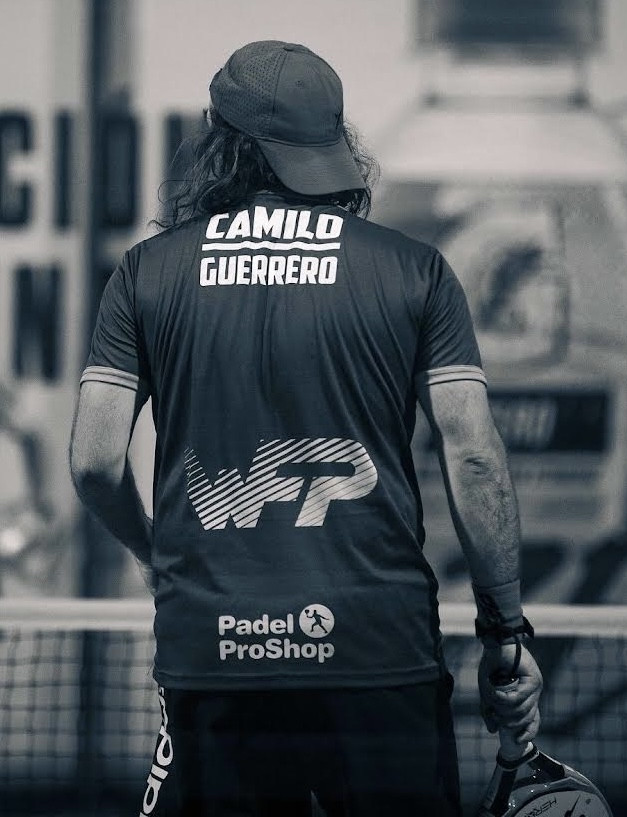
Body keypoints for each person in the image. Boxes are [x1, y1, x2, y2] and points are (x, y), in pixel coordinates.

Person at [69, 40, 542, 816]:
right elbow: (475, 458)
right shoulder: (415, 270)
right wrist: (506, 629)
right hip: (379, 649)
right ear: (333, 144)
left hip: (214, 649)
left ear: (222, 144)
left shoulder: (146, 273)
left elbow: (93, 461)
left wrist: (154, 554)